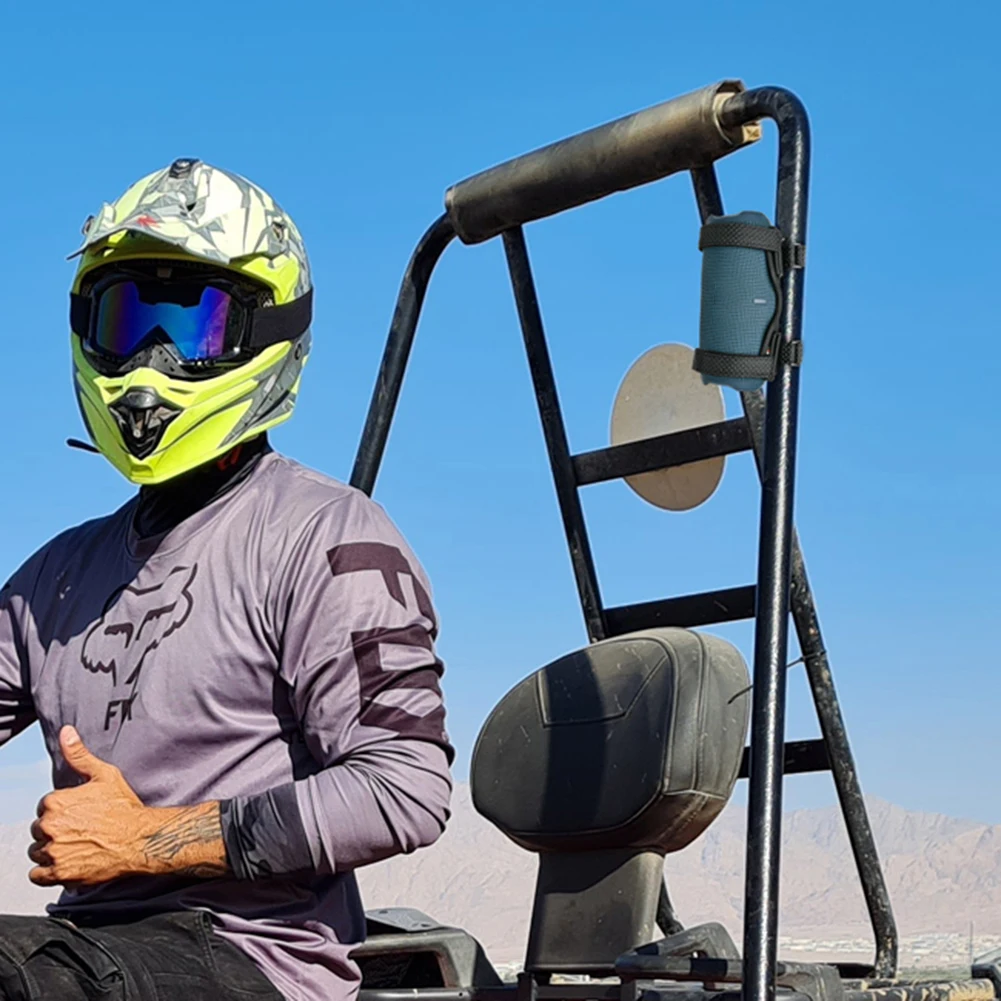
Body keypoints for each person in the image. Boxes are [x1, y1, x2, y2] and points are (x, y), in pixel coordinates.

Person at [0, 159, 453, 1001]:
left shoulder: (325, 534)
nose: (151, 361)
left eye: (193, 327)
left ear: (264, 333)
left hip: (251, 955)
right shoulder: (54, 576)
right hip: (89, 948)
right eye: (127, 322)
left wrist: (149, 840)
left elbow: (403, 787)